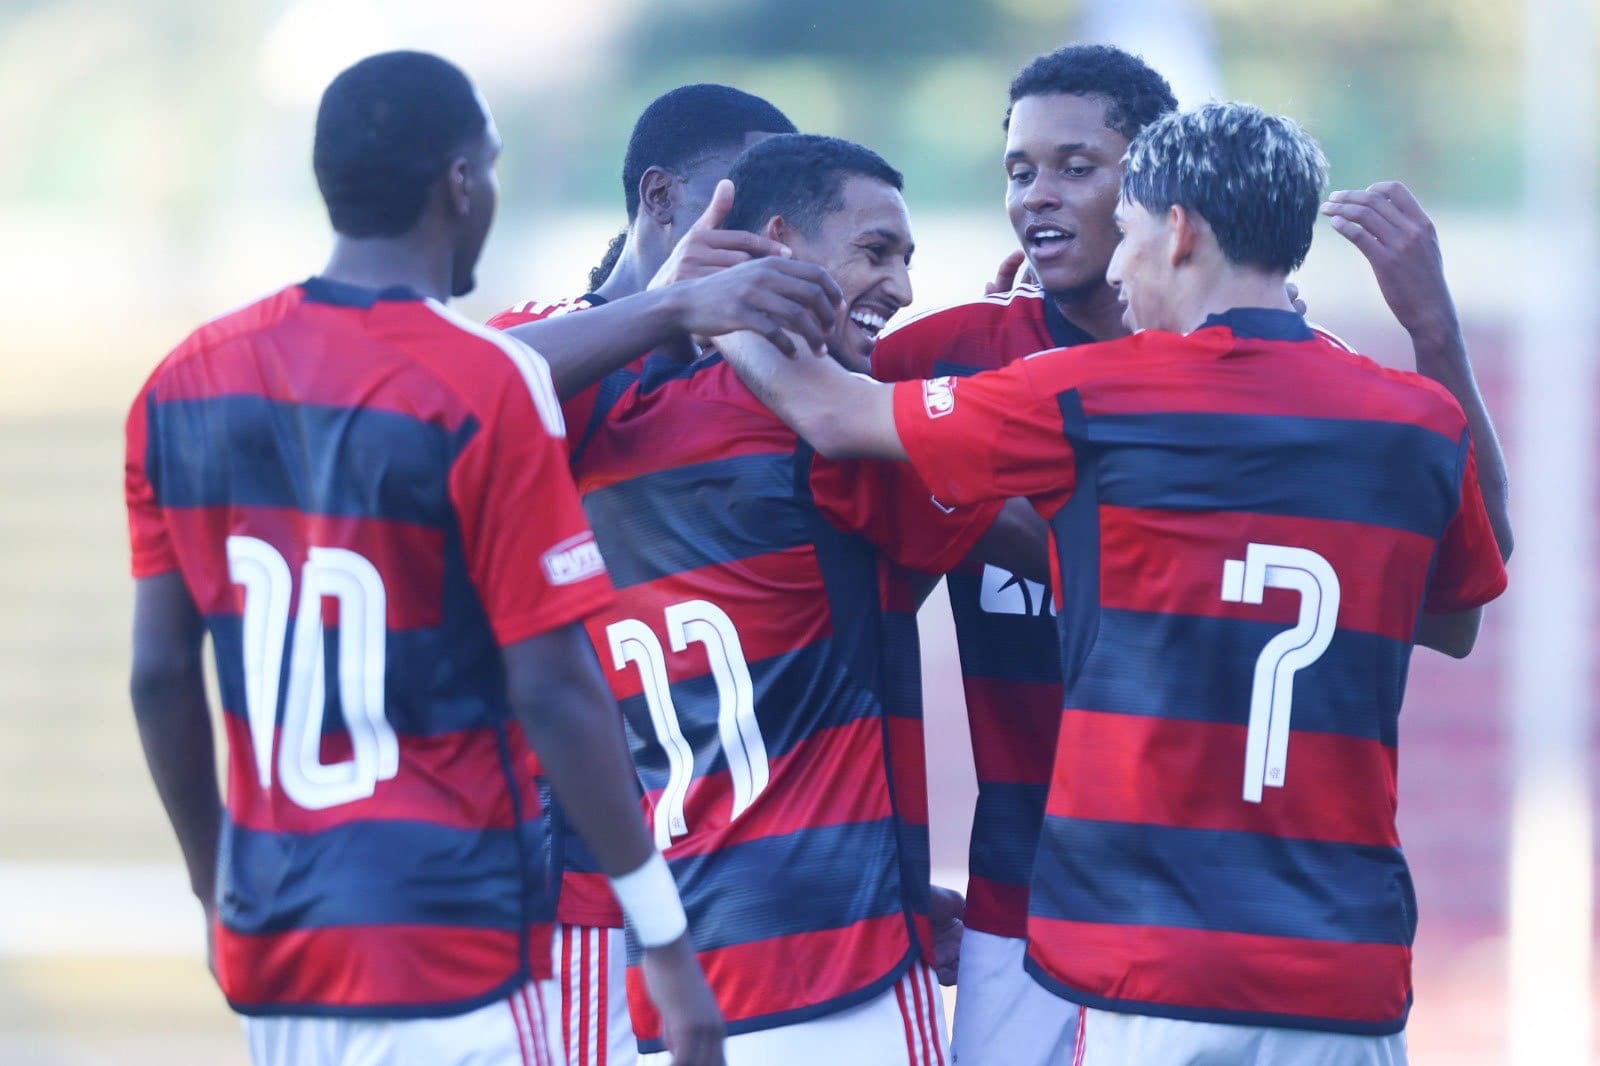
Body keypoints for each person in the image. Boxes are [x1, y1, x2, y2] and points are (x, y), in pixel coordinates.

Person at [717, 102, 1509, 1065]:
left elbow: (830, 416)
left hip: (1150, 959)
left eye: (1127, 231)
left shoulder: (1096, 392)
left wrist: (710, 301)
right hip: (1346, 966)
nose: (1120, 268)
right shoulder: (1414, 421)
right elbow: (1459, 619)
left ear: (1175, 233)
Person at [123, 50, 722, 1066]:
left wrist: (212, 881)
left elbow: (157, 673)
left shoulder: (180, 382)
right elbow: (556, 683)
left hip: (282, 937)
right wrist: (661, 934)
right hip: (454, 931)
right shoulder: (479, 382)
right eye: (486, 166)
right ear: (460, 182)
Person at [574, 133, 1032, 1064]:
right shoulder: (830, 437)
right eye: (877, 252)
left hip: (676, 989)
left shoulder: (596, 422)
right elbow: (1051, 531)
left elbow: (466, 391)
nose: (902, 288)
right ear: (776, 242)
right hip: (838, 968)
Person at [485, 83, 809, 1066]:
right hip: (582, 894)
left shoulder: (763, 377)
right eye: (734, 200)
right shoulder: (547, 338)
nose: (759, 234)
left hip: (745, 891)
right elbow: (469, 387)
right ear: (663, 198)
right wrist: (670, 306)